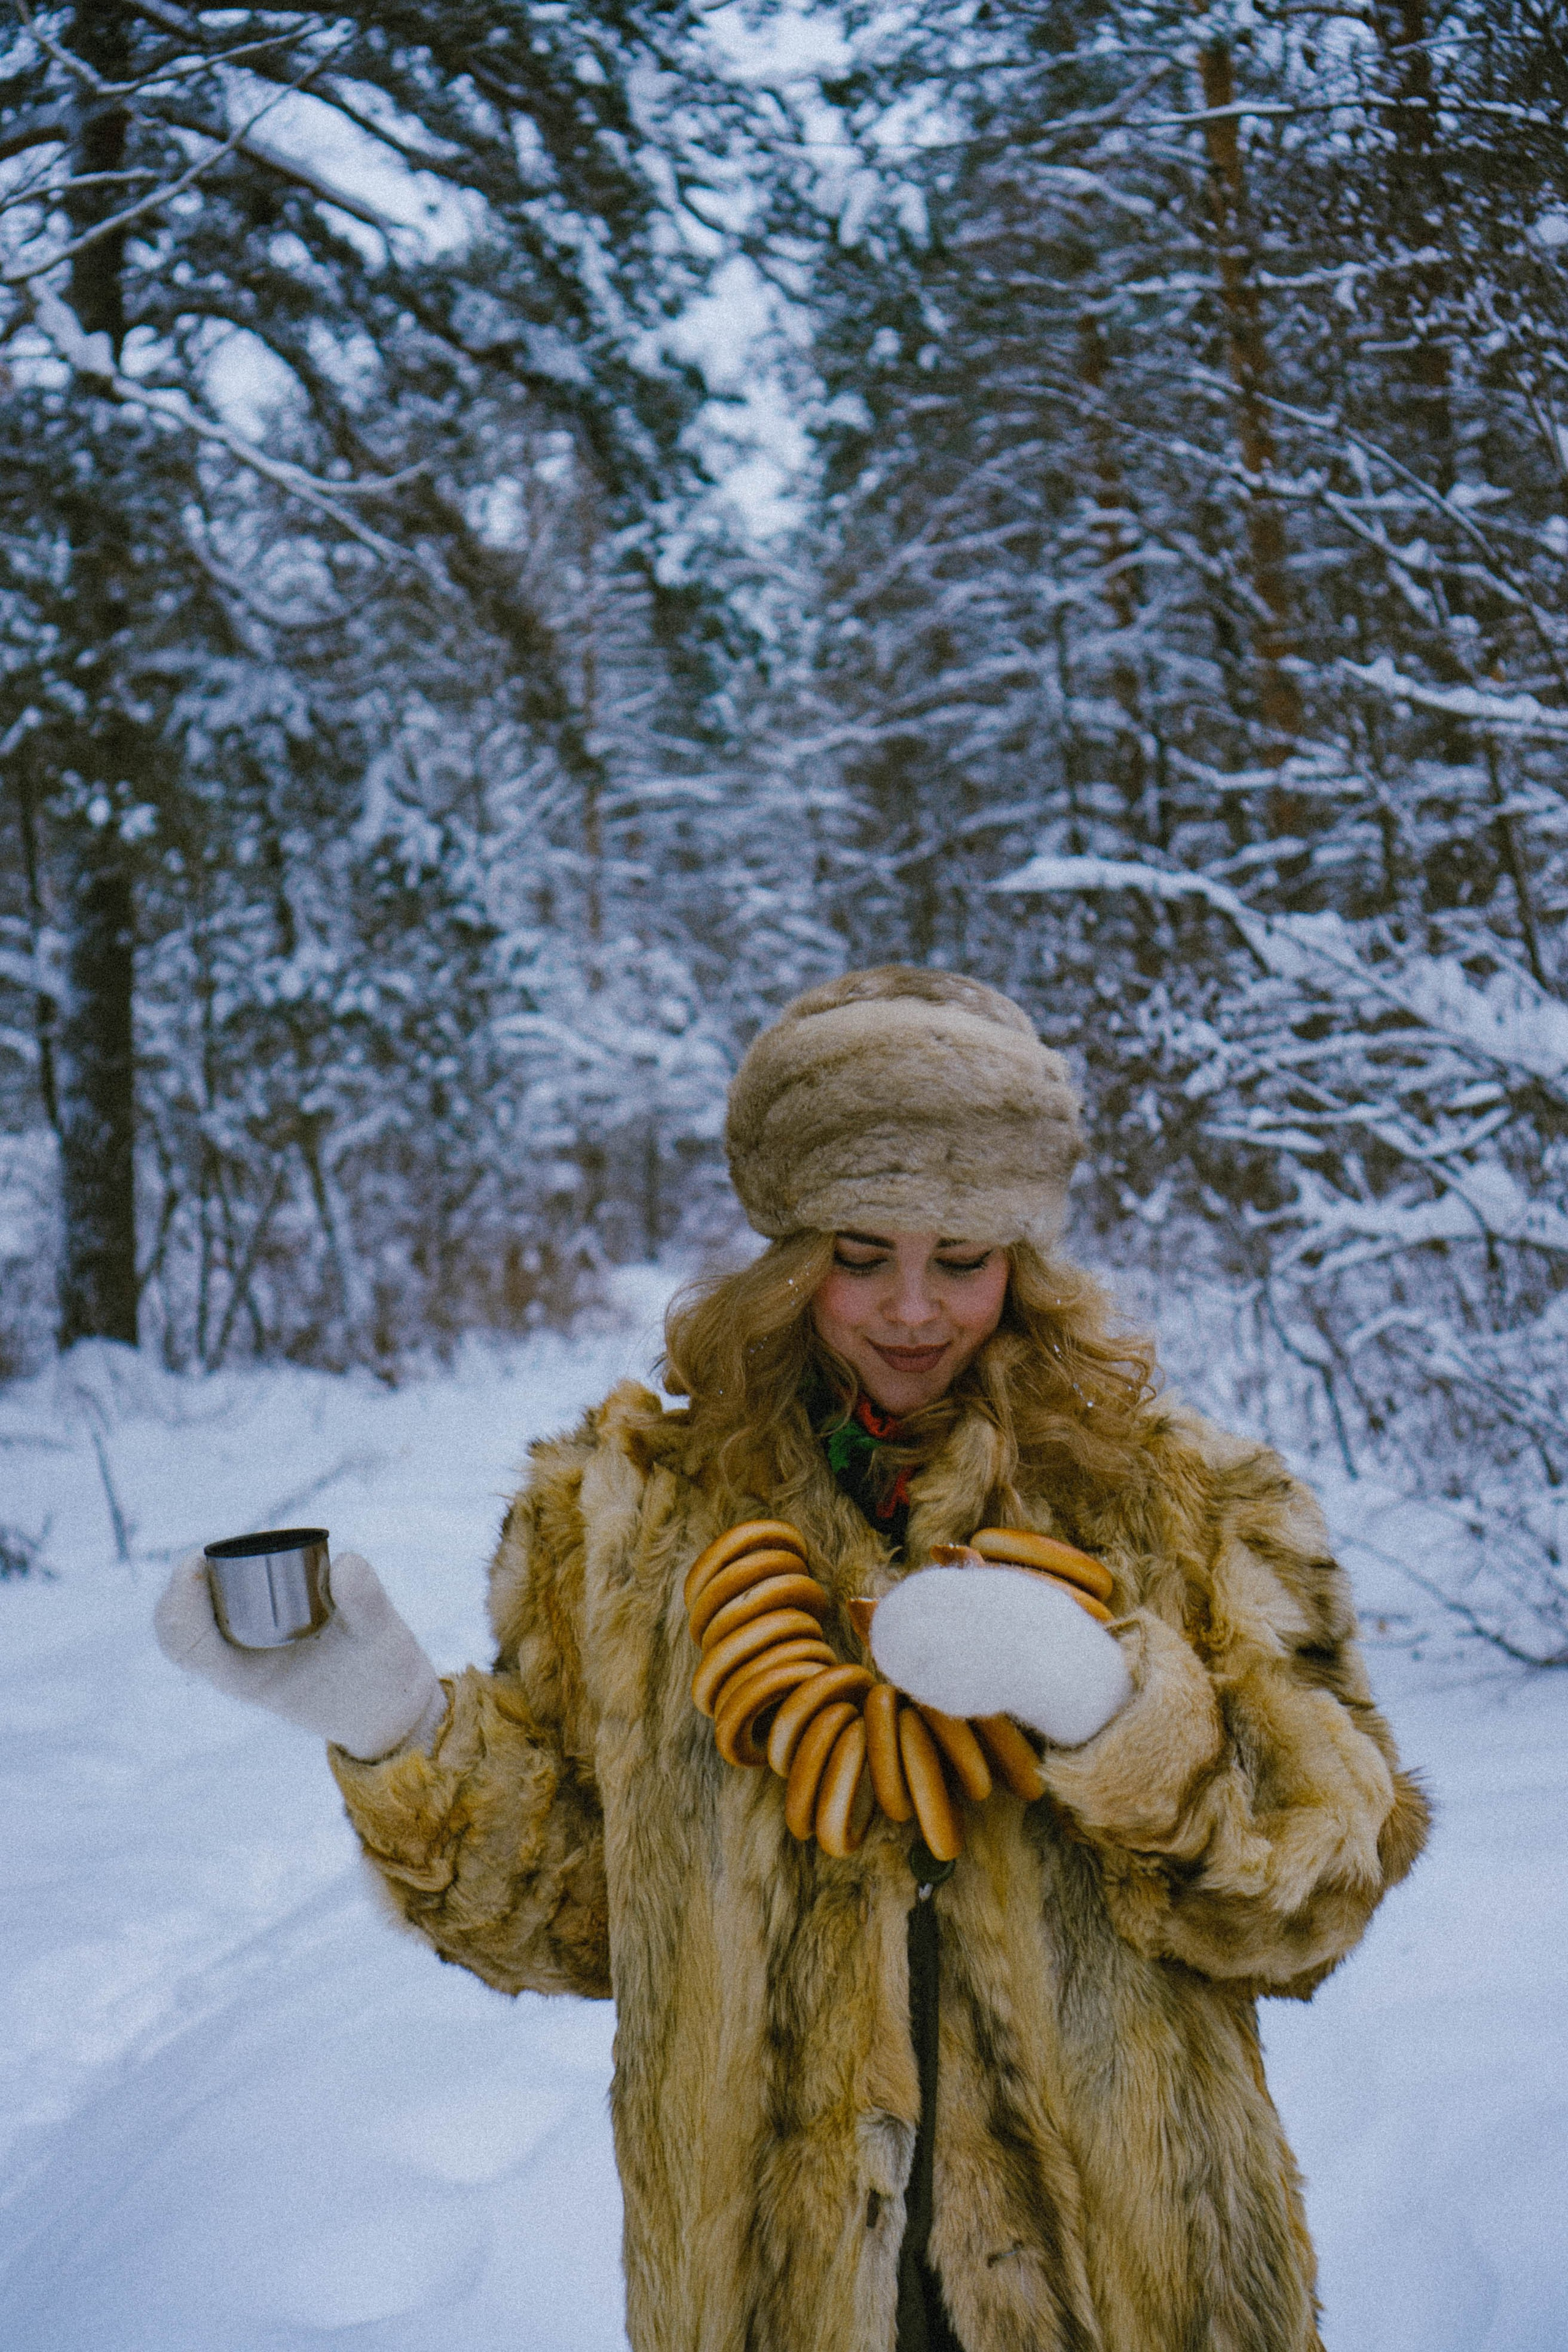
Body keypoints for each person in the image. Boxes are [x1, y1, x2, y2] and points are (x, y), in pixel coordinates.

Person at [157, 965, 1428, 2352]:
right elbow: (587, 1923)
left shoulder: (1184, 1503)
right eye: (858, 1254)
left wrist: (1108, 1709)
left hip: (1135, 2294)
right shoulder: (626, 1523)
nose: (910, 1312)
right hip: (777, 2305)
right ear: (780, 1255)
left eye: (962, 1259)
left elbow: (1319, 1895)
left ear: (1025, 1258)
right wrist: (396, 1729)